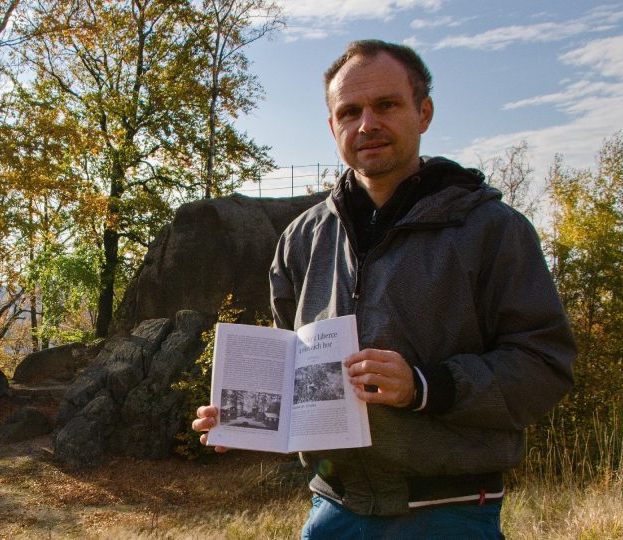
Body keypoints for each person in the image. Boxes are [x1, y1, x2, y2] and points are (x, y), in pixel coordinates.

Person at [193, 39, 576, 538]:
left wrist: (423, 385)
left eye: (386, 105)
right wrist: (245, 420)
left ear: (424, 112)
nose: (366, 124)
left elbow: (545, 365)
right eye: (349, 111)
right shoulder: (303, 237)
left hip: (451, 514)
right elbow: (292, 370)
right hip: (334, 511)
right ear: (334, 127)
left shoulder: (492, 229)